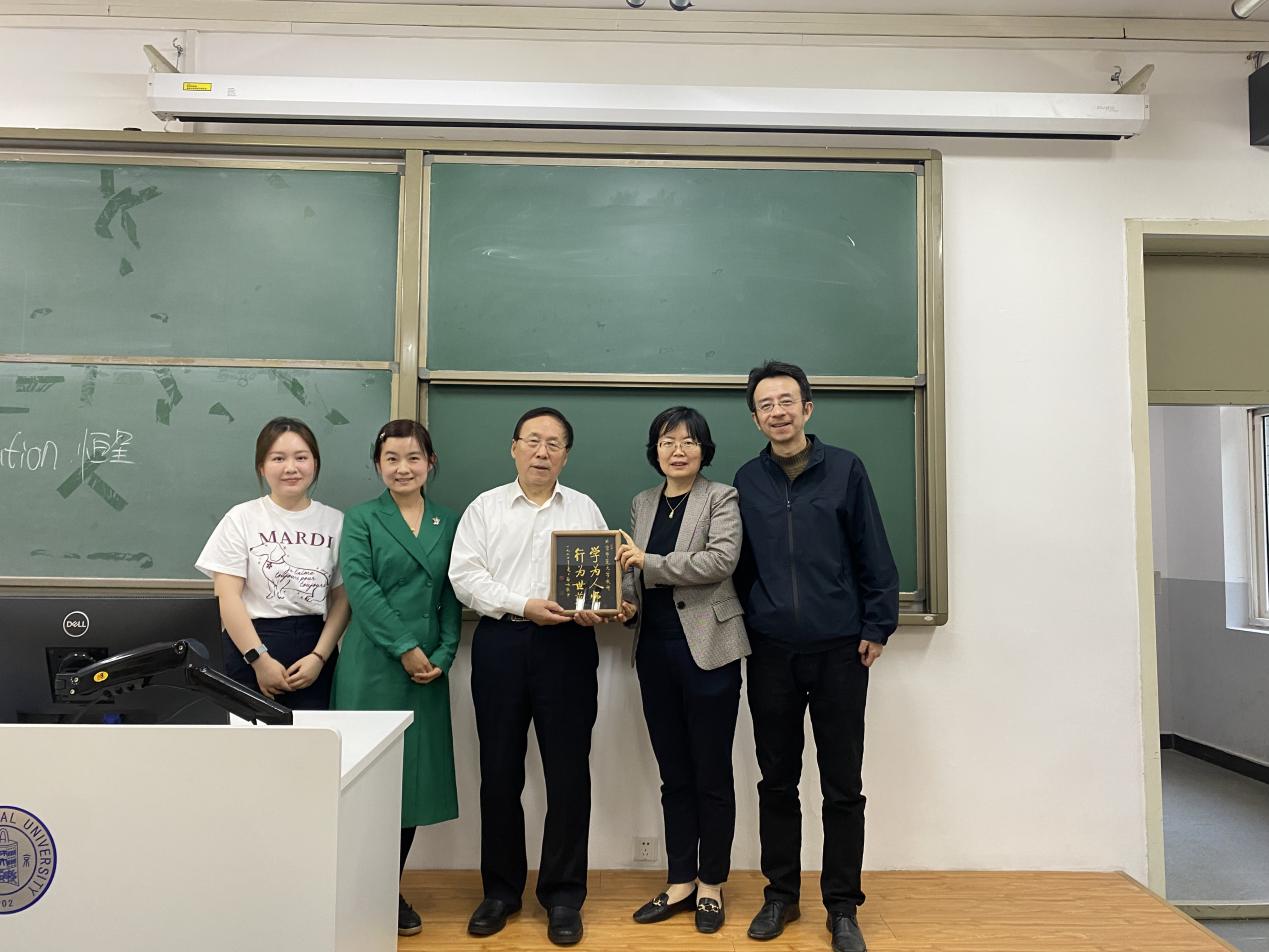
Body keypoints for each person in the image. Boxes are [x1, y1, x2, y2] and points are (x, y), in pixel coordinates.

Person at [732, 361, 899, 952]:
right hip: (771, 651)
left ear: (806, 408)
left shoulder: (846, 469)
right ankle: (780, 895)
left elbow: (873, 549)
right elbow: (741, 566)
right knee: (776, 781)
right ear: (755, 419)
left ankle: (842, 906)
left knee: (842, 784)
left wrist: (878, 624)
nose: (777, 412)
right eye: (765, 405)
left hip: (839, 650)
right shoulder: (746, 480)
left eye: (786, 401)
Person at [448, 407, 626, 948]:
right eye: (532, 441)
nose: (542, 452)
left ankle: (564, 896)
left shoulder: (584, 508)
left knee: (568, 774)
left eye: (554, 443)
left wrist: (593, 610)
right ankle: (500, 892)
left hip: (567, 646)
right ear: (514, 448)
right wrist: (521, 604)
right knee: (499, 772)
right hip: (501, 642)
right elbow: (464, 576)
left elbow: (597, 582)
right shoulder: (484, 507)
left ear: (566, 454)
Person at [617, 406, 749, 935]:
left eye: (689, 441)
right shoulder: (642, 502)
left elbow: (720, 561)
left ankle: (711, 883)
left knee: (711, 772)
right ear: (655, 450)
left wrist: (647, 564)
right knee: (673, 773)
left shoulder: (721, 497)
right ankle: (680, 881)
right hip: (654, 651)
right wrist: (625, 605)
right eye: (667, 441)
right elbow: (632, 574)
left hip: (710, 648)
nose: (678, 450)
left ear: (703, 450)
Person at [332, 419, 462, 938]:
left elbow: (453, 592)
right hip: (373, 665)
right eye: (391, 458)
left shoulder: (449, 520)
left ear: (431, 462)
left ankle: (387, 888)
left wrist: (444, 653)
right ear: (377, 465)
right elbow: (360, 589)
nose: (403, 468)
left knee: (411, 785)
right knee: (366, 781)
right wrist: (406, 648)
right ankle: (361, 890)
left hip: (427, 671)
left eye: (413, 457)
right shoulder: (361, 518)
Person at [196, 416, 347, 709]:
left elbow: (343, 600)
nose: (291, 467)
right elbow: (227, 597)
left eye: (301, 457)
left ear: (315, 463)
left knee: (313, 736)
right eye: (278, 458)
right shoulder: (241, 518)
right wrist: (259, 659)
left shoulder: (336, 522)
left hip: (313, 653)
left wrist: (319, 657)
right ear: (262, 467)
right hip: (249, 647)